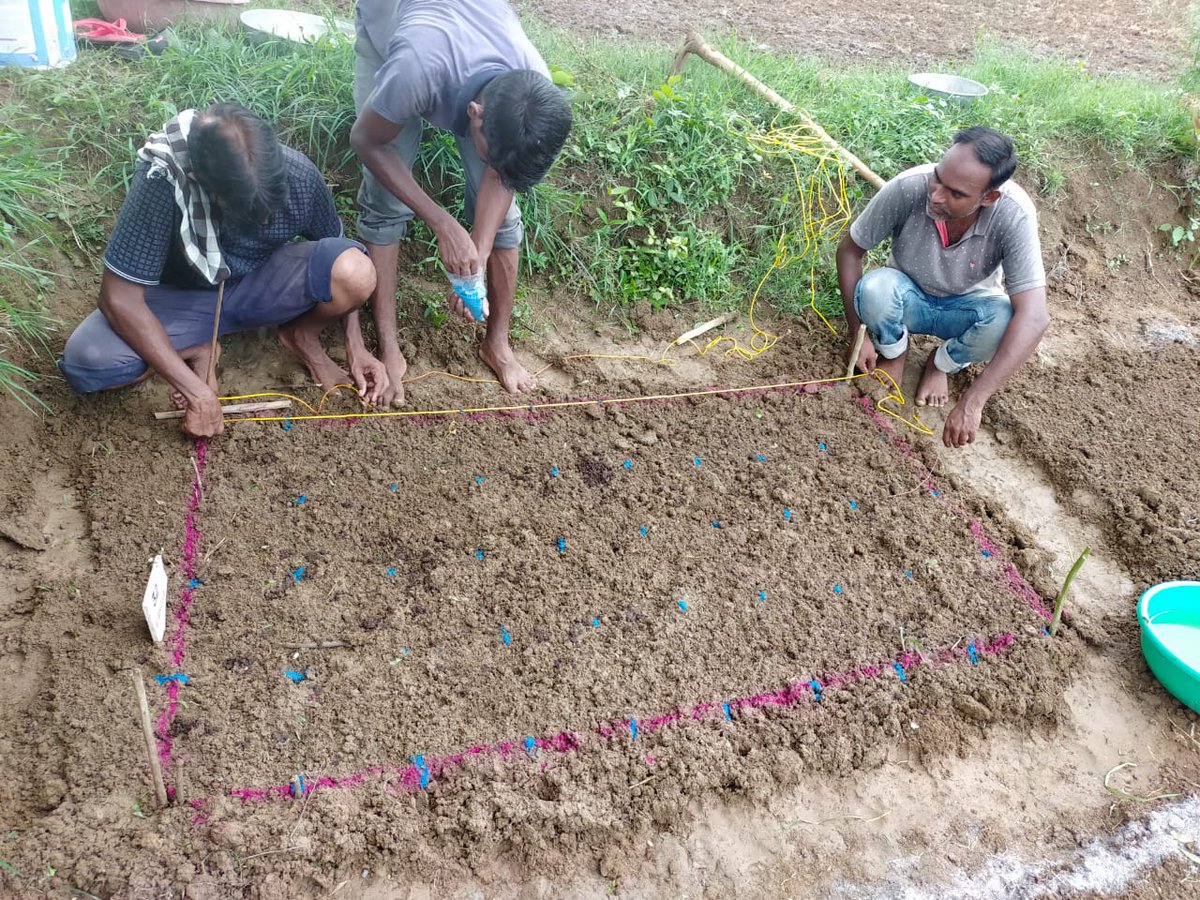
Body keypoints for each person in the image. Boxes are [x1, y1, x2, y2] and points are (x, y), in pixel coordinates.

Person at [60, 103, 387, 438]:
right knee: (89, 361)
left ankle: (300, 336)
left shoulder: (297, 175)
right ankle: (201, 348)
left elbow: (334, 244)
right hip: (182, 300)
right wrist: (196, 392)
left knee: (354, 271)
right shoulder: (163, 180)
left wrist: (355, 346)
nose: (262, 222)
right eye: (246, 209)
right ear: (198, 181)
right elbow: (119, 299)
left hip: (259, 286)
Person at [350, 0, 573, 406]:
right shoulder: (414, 69)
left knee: (505, 221)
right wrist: (443, 224)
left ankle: (498, 345)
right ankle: (389, 347)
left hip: (459, 35)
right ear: (474, 114)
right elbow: (366, 141)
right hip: (394, 24)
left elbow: (502, 175)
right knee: (385, 204)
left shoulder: (531, 88)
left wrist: (479, 252)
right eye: (491, 158)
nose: (495, 169)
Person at [836, 126, 1049, 448]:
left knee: (1004, 321)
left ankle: (941, 363)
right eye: (938, 178)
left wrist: (973, 402)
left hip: (967, 305)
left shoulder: (1013, 215)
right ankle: (894, 352)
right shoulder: (909, 187)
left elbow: (1034, 317)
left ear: (989, 197)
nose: (936, 195)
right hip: (905, 295)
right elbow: (850, 251)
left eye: (956, 194)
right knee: (876, 288)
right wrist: (858, 334)